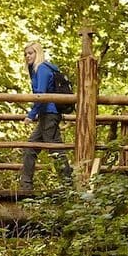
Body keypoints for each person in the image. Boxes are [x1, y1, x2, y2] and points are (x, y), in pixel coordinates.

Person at [19, 41, 73, 194]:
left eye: (30, 53)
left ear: (38, 53)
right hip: (46, 114)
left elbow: (40, 94)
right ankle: (26, 187)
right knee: (30, 149)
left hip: (49, 113)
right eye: (26, 54)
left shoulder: (42, 68)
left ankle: (68, 186)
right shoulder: (37, 69)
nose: (27, 56)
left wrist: (31, 114)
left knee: (55, 149)